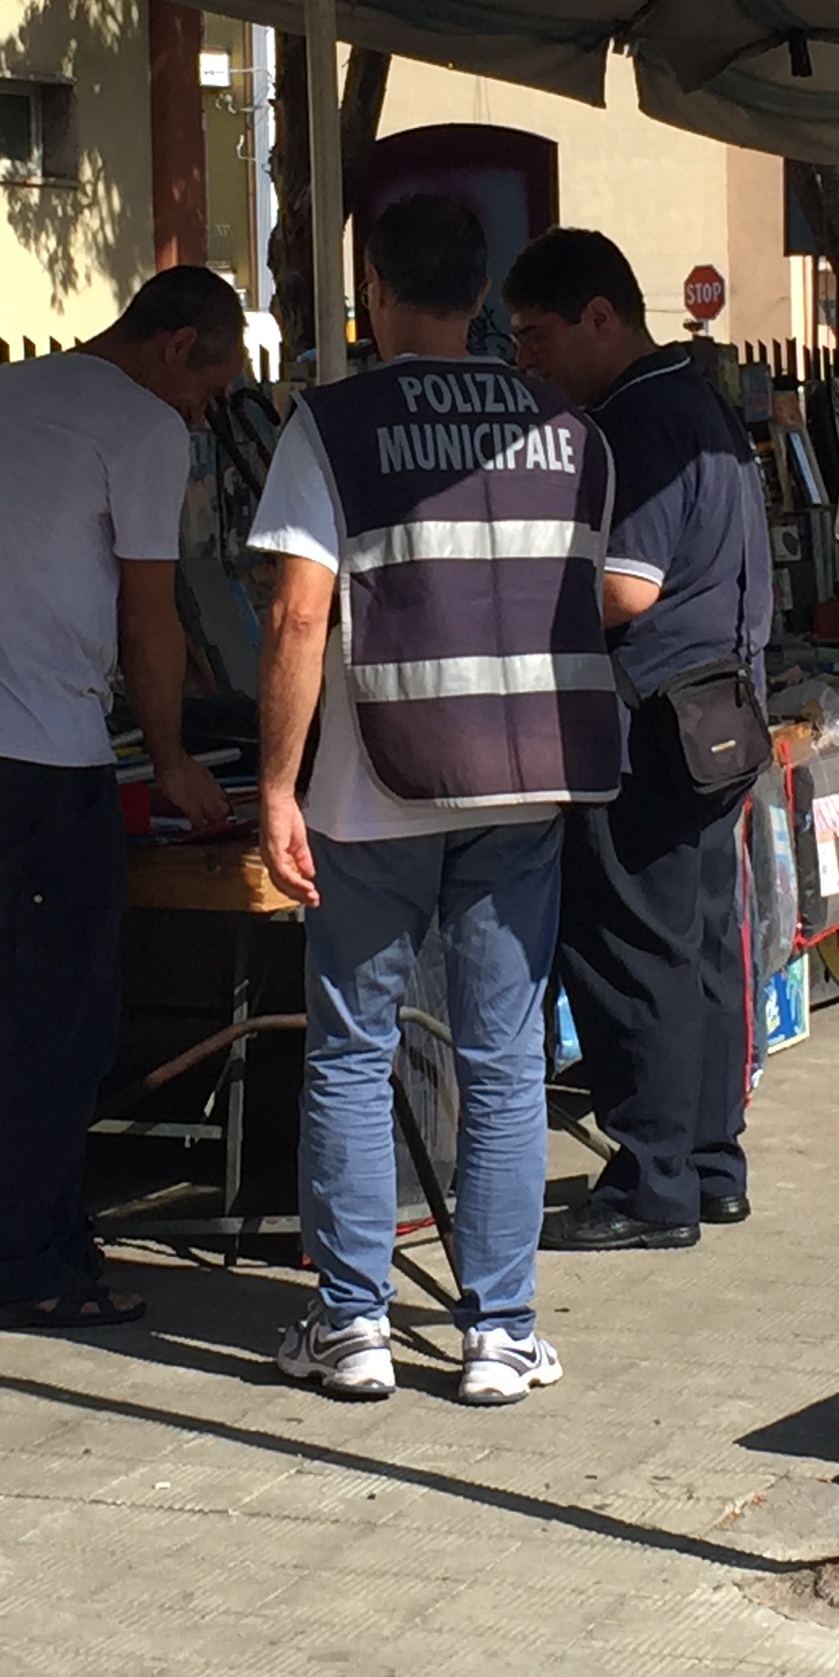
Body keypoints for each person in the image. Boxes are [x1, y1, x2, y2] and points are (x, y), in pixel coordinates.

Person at [251, 194, 619, 1405]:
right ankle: (499, 1334)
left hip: (373, 790)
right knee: (504, 1062)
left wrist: (274, 785)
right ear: (480, 294)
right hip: (525, 781)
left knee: (355, 1053)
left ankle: (353, 1325)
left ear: (373, 289)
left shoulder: (332, 425)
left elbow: (300, 614)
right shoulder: (573, 429)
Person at [0, 268, 243, 1329]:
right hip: (39, 755)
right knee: (56, 1025)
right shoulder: (138, 426)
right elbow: (149, 616)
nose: (204, 411)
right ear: (177, 343)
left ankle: (44, 1238)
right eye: (209, 384)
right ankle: (11, 1265)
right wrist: (177, 757)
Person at [502, 227, 773, 1250]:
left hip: (642, 724)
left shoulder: (631, 422)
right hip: (711, 715)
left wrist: (507, 591)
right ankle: (709, 1161)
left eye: (535, 337)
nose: (525, 359)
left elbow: (625, 588)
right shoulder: (699, 405)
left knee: (632, 954)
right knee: (699, 947)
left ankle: (653, 1180)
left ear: (599, 318)